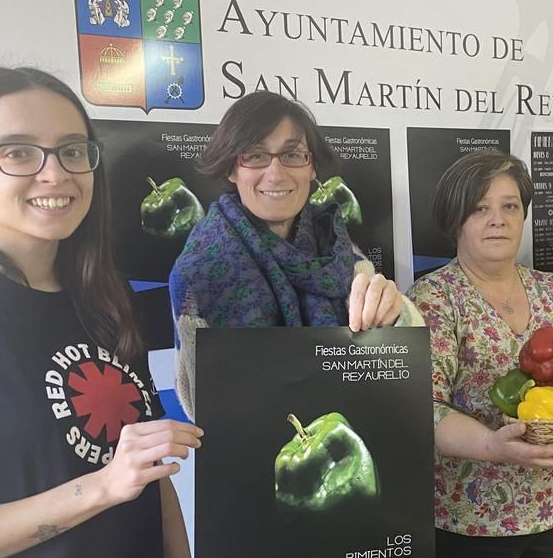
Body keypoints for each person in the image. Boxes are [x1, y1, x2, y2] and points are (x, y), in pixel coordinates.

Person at [0, 66, 200, 556]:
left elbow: (150, 471)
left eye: (73, 151)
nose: (55, 173)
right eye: (16, 152)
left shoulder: (104, 295)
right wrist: (100, 488)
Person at [169, 90, 419, 419]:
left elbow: (402, 356)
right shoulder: (198, 271)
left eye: (293, 155)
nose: (275, 173)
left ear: (312, 166)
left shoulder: (339, 247)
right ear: (232, 169)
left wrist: (395, 315)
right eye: (255, 156)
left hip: (350, 438)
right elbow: (196, 404)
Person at [407, 151, 553, 558]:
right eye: (480, 208)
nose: (499, 219)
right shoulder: (433, 300)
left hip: (552, 507)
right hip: (469, 521)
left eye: (510, 206)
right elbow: (423, 409)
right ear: (454, 220)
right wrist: (493, 445)